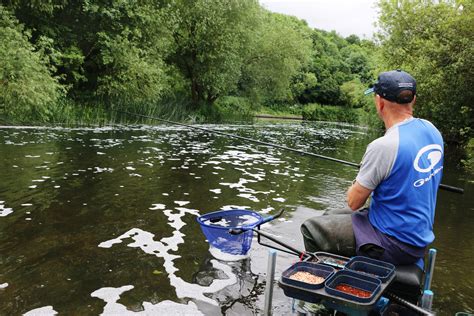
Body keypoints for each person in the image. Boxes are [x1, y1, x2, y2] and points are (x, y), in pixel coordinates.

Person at [301, 70, 444, 266]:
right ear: (413, 100)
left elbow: (353, 202)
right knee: (329, 215)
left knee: (311, 228)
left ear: (380, 102)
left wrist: (360, 177)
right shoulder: (431, 130)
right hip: (418, 237)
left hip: (394, 243)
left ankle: (322, 285)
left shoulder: (384, 146)